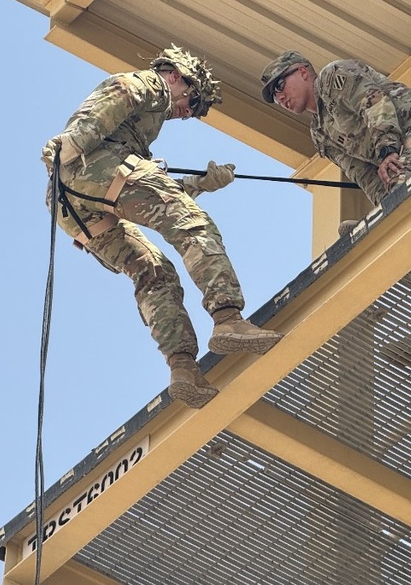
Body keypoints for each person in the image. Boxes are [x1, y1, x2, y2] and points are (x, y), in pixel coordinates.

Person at [42, 45, 283, 409]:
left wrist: (202, 183)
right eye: (193, 100)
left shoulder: (141, 131)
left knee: (152, 271)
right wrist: (73, 143)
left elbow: (145, 198)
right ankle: (228, 317)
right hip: (95, 168)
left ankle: (183, 368)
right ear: (176, 76)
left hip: (70, 205)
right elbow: (120, 96)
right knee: (192, 226)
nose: (188, 112)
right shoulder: (151, 85)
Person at [260, 51, 411, 365]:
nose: (279, 96)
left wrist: (386, 149)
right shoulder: (320, 134)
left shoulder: (334, 77)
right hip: (400, 166)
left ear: (303, 72)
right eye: (273, 95)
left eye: (281, 84)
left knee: (408, 181)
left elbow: (376, 103)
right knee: (399, 225)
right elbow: (362, 173)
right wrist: (387, 212)